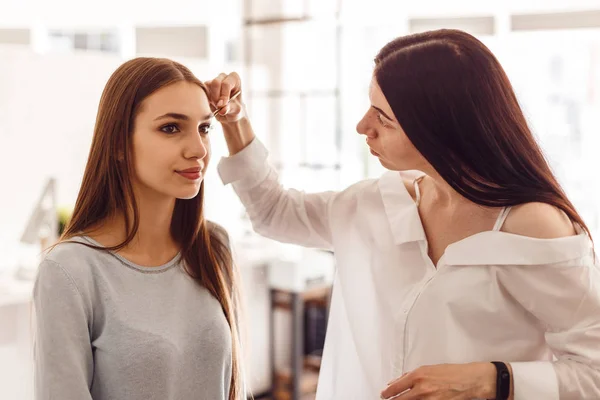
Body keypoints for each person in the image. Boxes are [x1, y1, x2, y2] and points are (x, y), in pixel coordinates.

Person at [207, 29, 600, 400]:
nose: (363, 126)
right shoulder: (377, 203)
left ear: (441, 130)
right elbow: (274, 211)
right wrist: (234, 121)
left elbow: (593, 371)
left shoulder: (532, 228)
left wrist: (491, 379)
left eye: (383, 117)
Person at [33, 57, 244, 400]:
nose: (198, 149)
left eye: (204, 128)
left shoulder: (213, 246)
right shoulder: (69, 271)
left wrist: (238, 121)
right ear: (118, 143)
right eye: (171, 128)